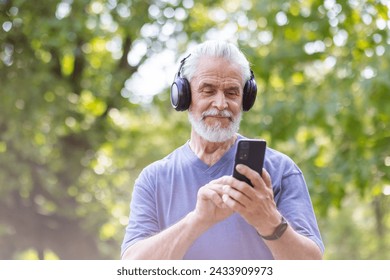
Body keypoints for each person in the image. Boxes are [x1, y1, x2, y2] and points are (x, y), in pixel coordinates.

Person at [121, 40, 324, 260]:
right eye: (208, 91)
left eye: (231, 92)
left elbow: (311, 266)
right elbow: (132, 267)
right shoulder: (154, 178)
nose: (220, 103)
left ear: (245, 99)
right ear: (185, 96)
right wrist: (198, 220)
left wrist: (269, 221)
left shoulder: (281, 170)